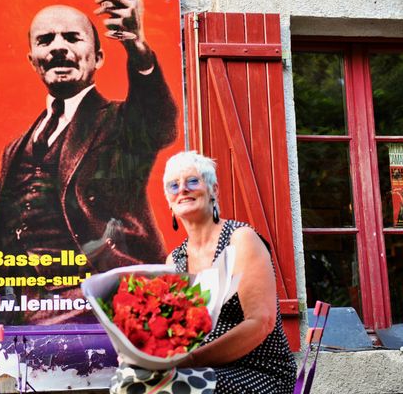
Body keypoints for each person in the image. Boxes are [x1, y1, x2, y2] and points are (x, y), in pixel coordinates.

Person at [0, 0, 177, 325]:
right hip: (18, 309)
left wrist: (138, 48)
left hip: (99, 300)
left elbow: (158, 121)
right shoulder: (15, 148)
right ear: (33, 59)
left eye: (72, 38)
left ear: (98, 58)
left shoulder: (121, 123)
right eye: (46, 40)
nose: (57, 48)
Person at [111, 151, 296, 393]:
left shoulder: (240, 240)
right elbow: (172, 334)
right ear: (168, 200)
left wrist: (191, 360)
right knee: (127, 378)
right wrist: (140, 353)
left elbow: (261, 323)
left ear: (213, 190)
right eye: (173, 185)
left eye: (193, 181)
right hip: (199, 370)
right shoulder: (174, 261)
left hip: (259, 372)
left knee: (170, 385)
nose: (183, 190)